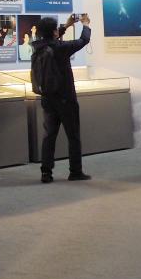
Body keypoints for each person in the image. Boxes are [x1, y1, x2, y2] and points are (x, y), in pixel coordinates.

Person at [31, 14, 93, 183]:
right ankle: (75, 171)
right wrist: (86, 25)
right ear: (54, 32)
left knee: (49, 136)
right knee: (73, 135)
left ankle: (46, 173)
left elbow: (51, 39)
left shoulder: (38, 47)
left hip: (47, 98)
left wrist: (66, 25)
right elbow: (83, 40)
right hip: (65, 98)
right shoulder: (60, 48)